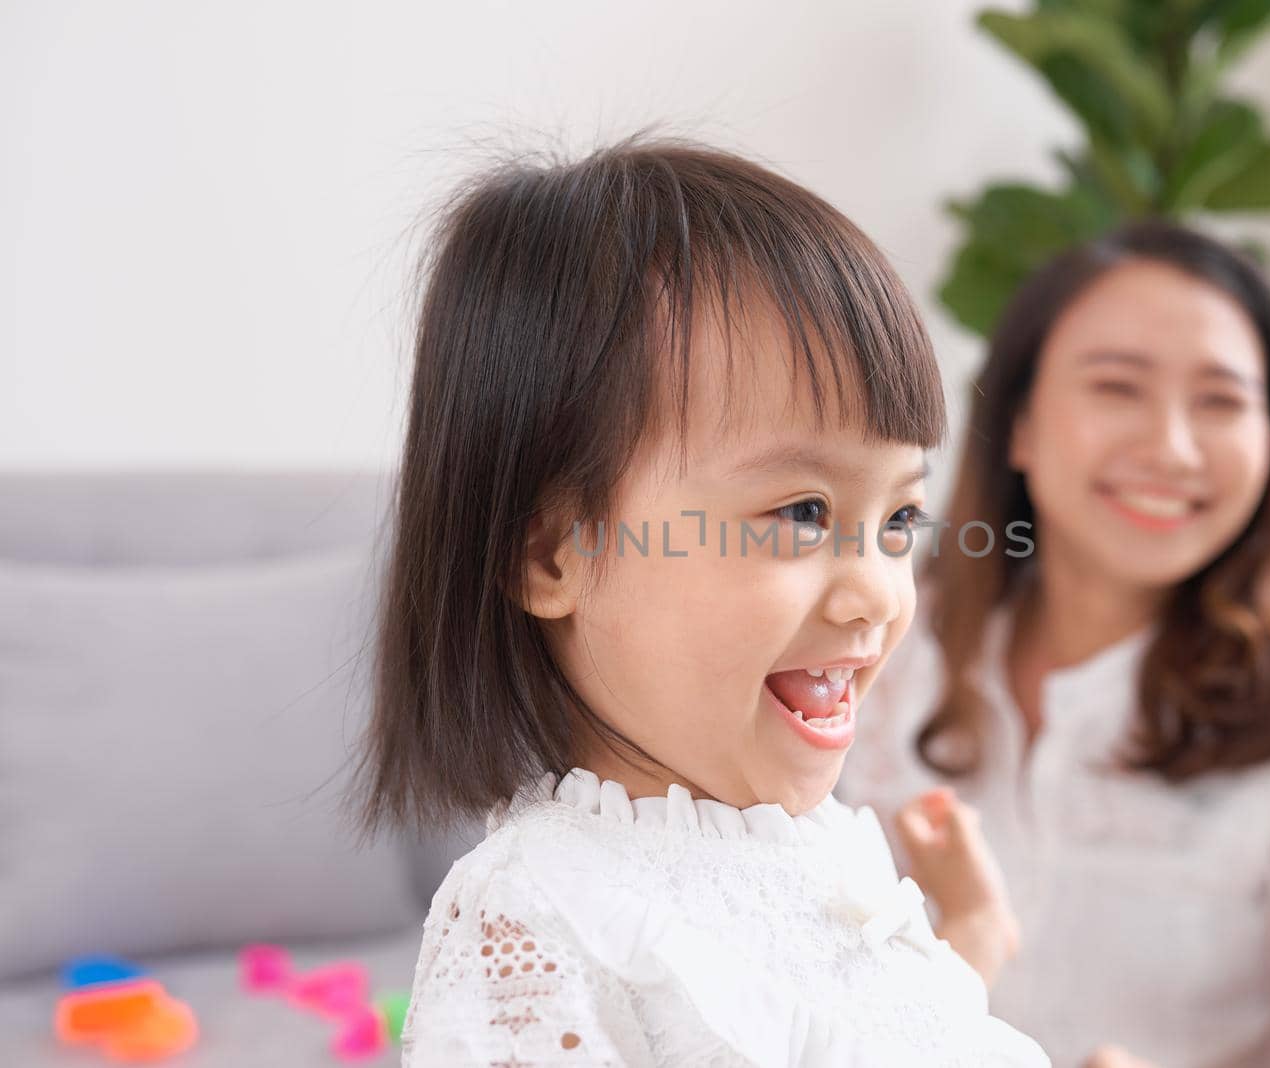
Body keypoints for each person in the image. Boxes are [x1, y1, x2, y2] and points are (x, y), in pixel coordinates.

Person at [356, 138, 1047, 1067]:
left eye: (901, 519)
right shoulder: (538, 919)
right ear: (553, 552)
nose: (879, 593)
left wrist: (967, 933)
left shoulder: (816, 847)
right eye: (803, 512)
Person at [846, 221, 1270, 1068]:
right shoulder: (880, 643)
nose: (1171, 448)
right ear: (1017, 423)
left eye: (1222, 402)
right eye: (1117, 387)